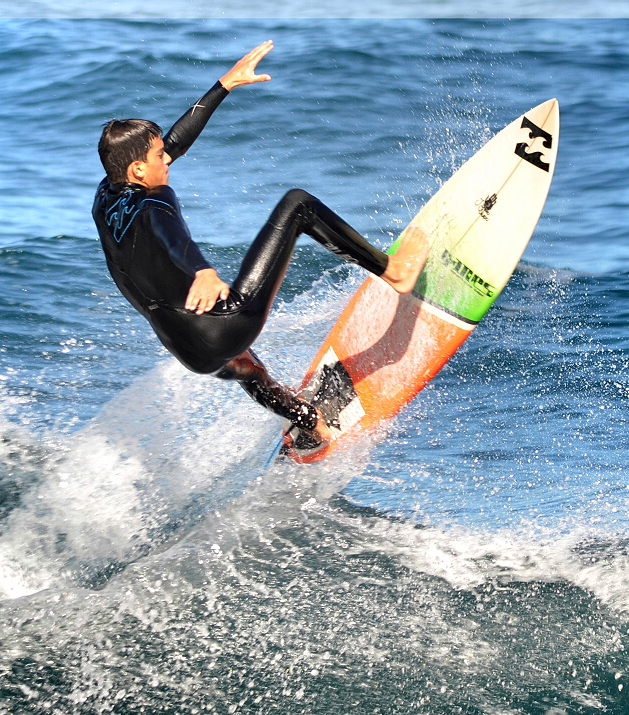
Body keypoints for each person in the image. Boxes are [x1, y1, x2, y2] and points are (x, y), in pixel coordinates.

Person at [91, 40, 427, 447]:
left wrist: (224, 85)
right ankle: (395, 271)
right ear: (139, 169)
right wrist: (203, 270)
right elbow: (169, 234)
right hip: (224, 328)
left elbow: (174, 144)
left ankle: (309, 421)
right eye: (160, 156)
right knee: (298, 205)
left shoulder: (106, 196)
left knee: (248, 367)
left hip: (190, 352)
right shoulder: (154, 200)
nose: (169, 160)